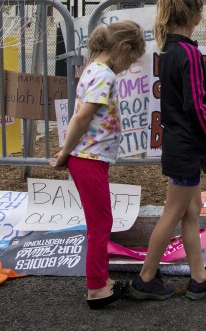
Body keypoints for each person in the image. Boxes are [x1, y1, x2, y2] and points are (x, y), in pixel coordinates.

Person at [130, 0, 206, 301]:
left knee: (191, 210)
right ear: (196, 16)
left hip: (179, 143)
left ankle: (199, 276)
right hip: (187, 146)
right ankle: (146, 277)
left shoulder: (172, 51)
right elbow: (197, 105)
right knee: (174, 212)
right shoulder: (188, 54)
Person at [51, 19, 146, 310]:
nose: (127, 67)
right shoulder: (105, 76)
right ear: (122, 48)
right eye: (130, 60)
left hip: (90, 158)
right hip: (88, 158)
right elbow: (81, 117)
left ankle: (98, 282)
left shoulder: (93, 69)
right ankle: (96, 287)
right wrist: (65, 151)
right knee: (100, 222)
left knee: (98, 221)